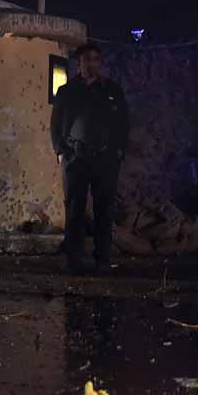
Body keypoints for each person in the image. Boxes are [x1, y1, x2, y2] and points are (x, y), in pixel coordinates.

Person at [50, 42, 129, 274]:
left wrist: (118, 152)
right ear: (79, 63)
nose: (92, 63)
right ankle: (73, 257)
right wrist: (61, 150)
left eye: (96, 59)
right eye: (87, 59)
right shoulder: (66, 91)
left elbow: (123, 123)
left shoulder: (112, 90)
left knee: (105, 208)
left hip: (105, 159)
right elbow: (55, 124)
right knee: (74, 209)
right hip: (76, 158)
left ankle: (103, 258)